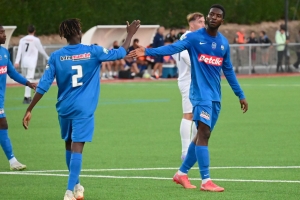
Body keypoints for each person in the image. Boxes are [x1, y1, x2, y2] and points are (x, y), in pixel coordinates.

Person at [128, 4, 248, 192]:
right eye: (211, 14)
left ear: (222, 20)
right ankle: (206, 180)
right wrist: (148, 51)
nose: (213, 17)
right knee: (204, 134)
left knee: (201, 135)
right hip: (199, 95)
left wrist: (240, 94)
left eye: (217, 16)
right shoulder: (193, 38)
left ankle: (181, 173)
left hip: (215, 97)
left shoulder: (223, 43)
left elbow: (229, 70)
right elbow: (172, 49)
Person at [22, 18, 140, 200]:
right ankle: (69, 192)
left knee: (69, 145)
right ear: (79, 32)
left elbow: (44, 85)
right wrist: (130, 33)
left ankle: (77, 186)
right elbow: (121, 51)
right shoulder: (93, 51)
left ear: (64, 35)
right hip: (83, 109)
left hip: (64, 108)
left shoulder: (56, 56)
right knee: (77, 147)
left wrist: (30, 108)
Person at [0, 25, 36, 170]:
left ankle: (12, 161)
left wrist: (27, 83)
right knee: (3, 124)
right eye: (1, 32)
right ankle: (13, 161)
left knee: (2, 125)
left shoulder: (4, 52)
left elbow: (12, 72)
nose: (4, 35)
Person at [171, 12, 205, 161]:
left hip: (197, 81)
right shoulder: (186, 37)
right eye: (201, 22)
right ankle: (185, 152)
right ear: (192, 24)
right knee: (188, 115)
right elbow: (185, 56)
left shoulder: (197, 38)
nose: (204, 24)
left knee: (198, 116)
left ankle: (193, 149)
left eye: (204, 22)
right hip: (188, 81)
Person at [14, 25, 49, 104]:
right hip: (31, 62)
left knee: (26, 80)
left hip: (24, 62)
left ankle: (27, 96)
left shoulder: (22, 39)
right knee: (29, 79)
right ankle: (27, 97)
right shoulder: (35, 40)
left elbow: (19, 51)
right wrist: (47, 57)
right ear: (34, 31)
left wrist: (17, 61)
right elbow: (41, 49)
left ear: (27, 31)